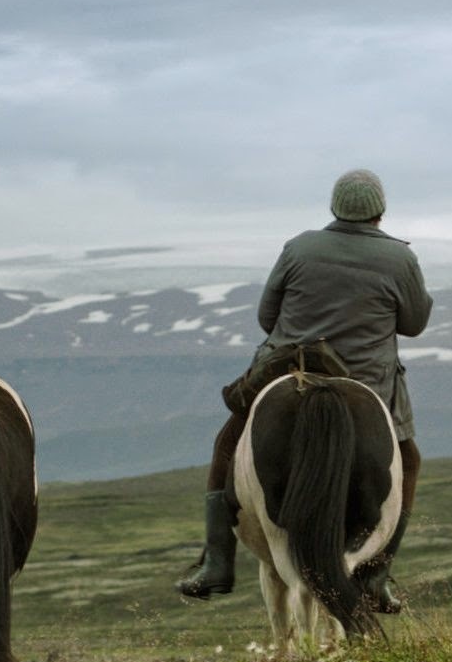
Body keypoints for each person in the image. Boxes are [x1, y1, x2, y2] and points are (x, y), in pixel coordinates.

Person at [175, 168, 433, 613]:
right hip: (366, 380)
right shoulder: (400, 258)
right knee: (407, 462)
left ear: (335, 208)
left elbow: (266, 317)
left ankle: (216, 563)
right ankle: (376, 574)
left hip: (287, 368)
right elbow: (413, 324)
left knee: (229, 442)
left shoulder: (298, 247)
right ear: (379, 212)